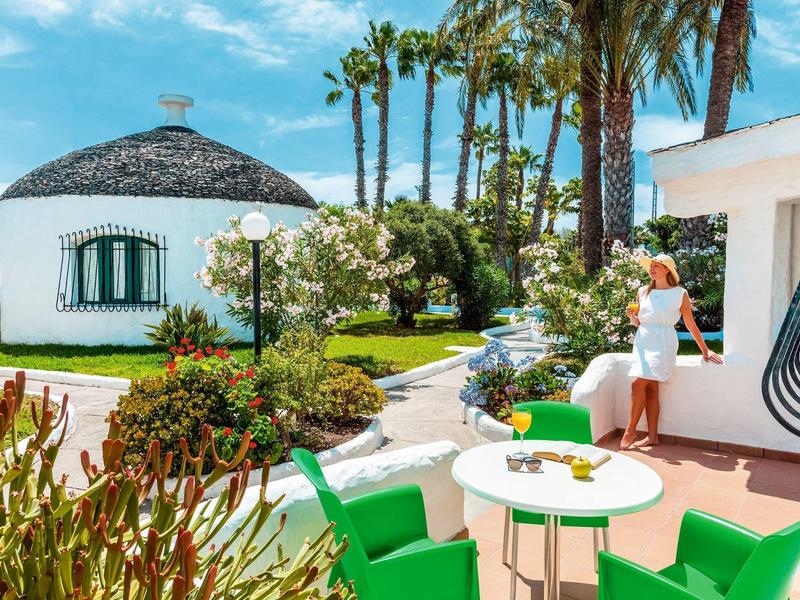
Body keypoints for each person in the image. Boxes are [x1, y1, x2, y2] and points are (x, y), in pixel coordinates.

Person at [621, 254, 722, 450]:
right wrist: (632, 317)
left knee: (637, 383)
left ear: (667, 270)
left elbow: (690, 323)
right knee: (651, 388)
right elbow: (640, 322)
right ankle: (652, 436)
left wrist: (705, 349)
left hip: (663, 342)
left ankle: (630, 430)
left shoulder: (680, 294)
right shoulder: (642, 291)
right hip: (643, 341)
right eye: (651, 266)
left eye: (656, 266)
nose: (651, 269)